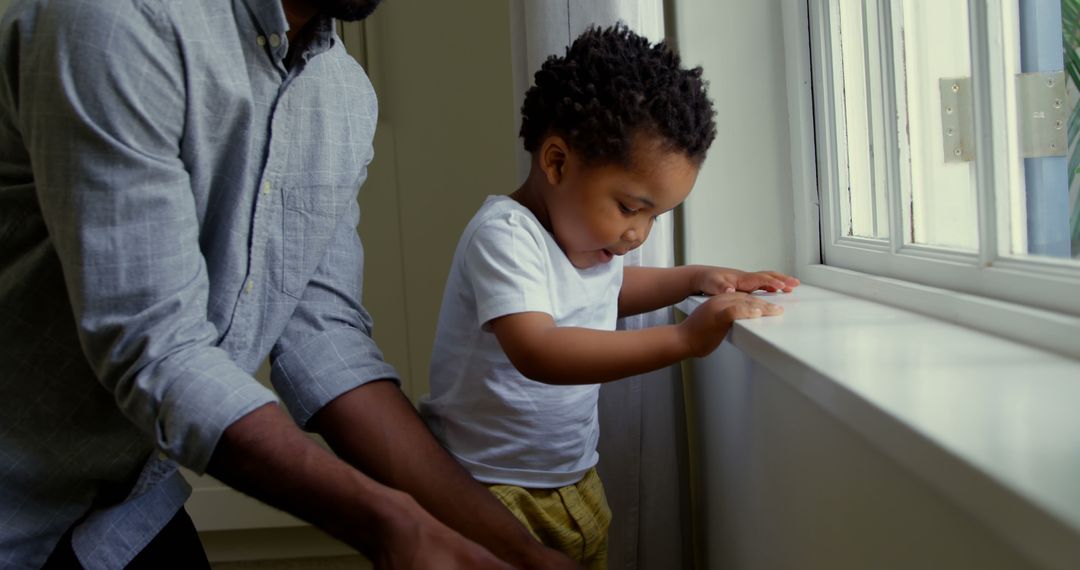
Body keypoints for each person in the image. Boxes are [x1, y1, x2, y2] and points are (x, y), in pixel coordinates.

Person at [0, 0, 580, 568]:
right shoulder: (111, 20)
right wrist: (389, 522)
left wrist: (521, 551)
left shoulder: (343, 97)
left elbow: (324, 342)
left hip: (121, 510)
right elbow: (156, 349)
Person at [419, 23, 800, 569]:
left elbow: (609, 293)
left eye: (656, 216)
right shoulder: (505, 235)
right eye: (629, 207)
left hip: (572, 476)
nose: (638, 234)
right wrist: (684, 339)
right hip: (490, 488)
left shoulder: (586, 244)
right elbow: (539, 349)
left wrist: (696, 278)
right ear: (556, 162)